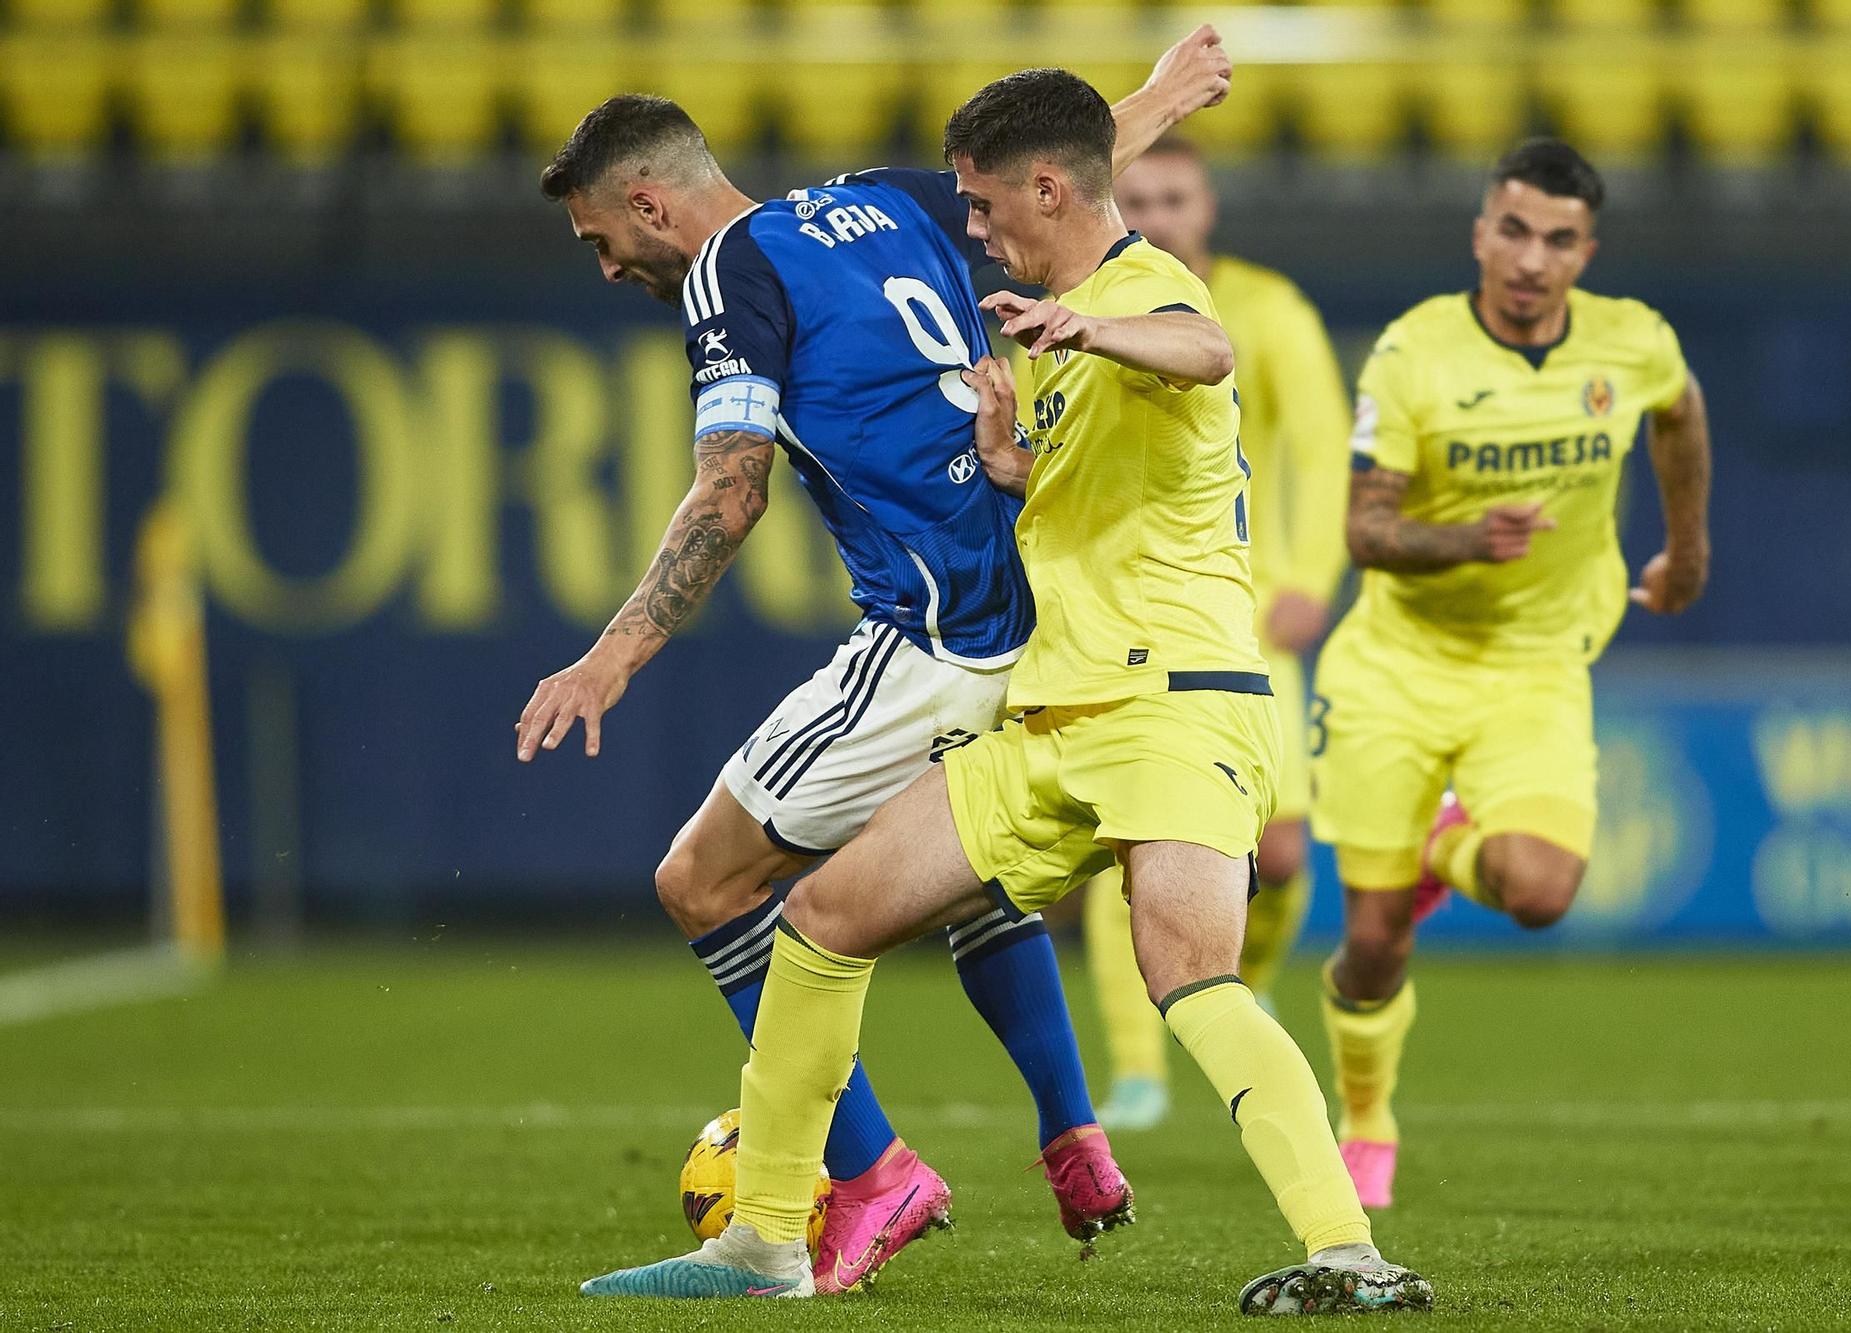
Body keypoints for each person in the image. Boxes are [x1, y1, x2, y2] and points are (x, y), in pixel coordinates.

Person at [577, 67, 1433, 1315]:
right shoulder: (1051, 327)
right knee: (824, 920)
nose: (968, 229)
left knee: (1187, 970)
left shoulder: (1136, 294)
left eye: (981, 207)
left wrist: (1095, 330)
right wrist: (1008, 460)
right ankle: (765, 1239)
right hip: (1051, 714)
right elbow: (1093, 496)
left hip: (1171, 705)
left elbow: (1204, 350)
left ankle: (1346, 1254)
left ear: (1044, 194)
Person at [515, 29, 1235, 1292]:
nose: (609, 266)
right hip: (1034, 598)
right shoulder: (880, 200)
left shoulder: (725, 274)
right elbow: (1041, 173)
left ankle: (867, 1174)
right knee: (957, 871)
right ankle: (1072, 1135)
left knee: (704, 879)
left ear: (644, 200)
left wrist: (608, 659)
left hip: (933, 630)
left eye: (599, 240)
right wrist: (1159, 98)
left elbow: (727, 496)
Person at [1312, 138, 1712, 1210]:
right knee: (1368, 940)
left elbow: (1676, 413)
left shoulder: (1630, 344)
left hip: (1534, 666)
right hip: (1397, 666)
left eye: (1559, 239)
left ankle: (1444, 840)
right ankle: (1364, 1119)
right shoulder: (1412, 356)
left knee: (1540, 889)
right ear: (1479, 233)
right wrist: (1466, 539)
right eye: (1514, 230)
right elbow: (1366, 529)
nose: (1532, 259)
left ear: (1587, 250)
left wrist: (1687, 548)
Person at [1080, 135, 1353, 1131]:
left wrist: (1312, 574)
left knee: (1278, 853)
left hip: (1246, 610)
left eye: (1174, 197)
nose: (1156, 216)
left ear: (1207, 205)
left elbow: (1323, 450)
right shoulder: (1086, 310)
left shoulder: (1266, 310)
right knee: (1139, 839)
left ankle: (1244, 978)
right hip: (1128, 618)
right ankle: (1139, 1068)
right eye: (1137, 198)